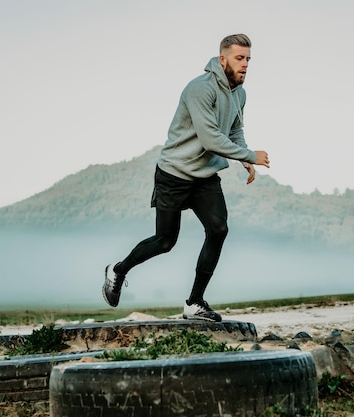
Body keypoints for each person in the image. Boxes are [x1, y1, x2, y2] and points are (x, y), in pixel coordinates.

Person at [103, 34, 270, 322]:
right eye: (239, 58)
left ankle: (194, 303)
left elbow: (234, 131)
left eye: (248, 60)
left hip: (204, 177)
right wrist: (252, 155)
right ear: (222, 59)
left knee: (218, 229)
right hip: (174, 174)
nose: (245, 65)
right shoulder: (199, 89)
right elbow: (210, 139)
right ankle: (118, 270)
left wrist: (244, 156)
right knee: (165, 241)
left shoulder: (239, 94)